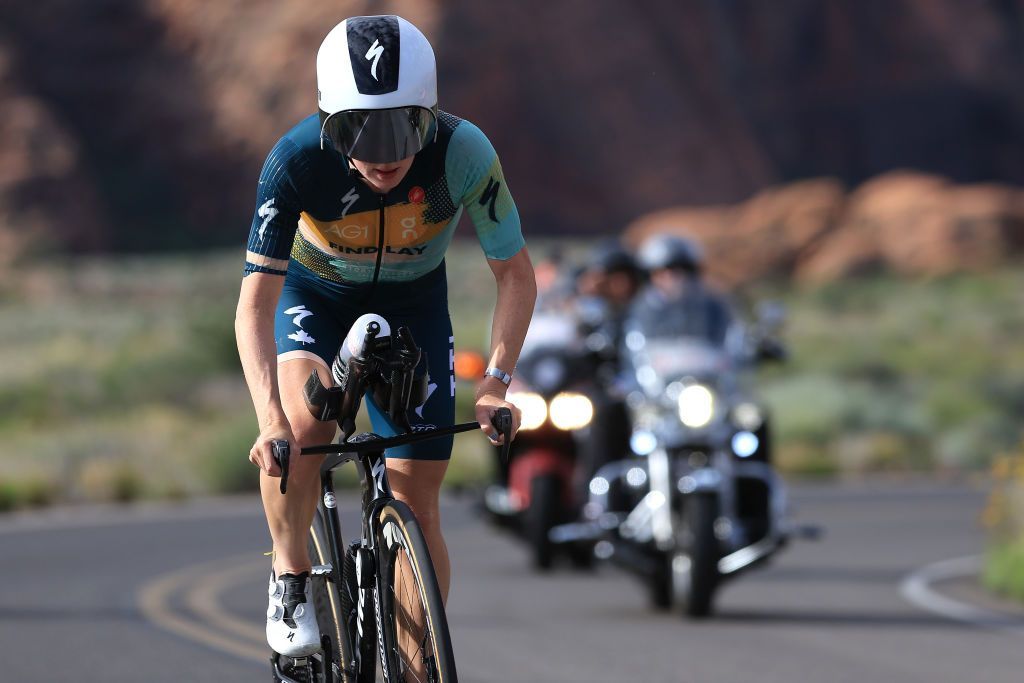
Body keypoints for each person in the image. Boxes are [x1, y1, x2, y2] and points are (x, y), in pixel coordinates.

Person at [235, 15, 535, 657]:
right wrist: (268, 421)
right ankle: (289, 578)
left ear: (431, 115)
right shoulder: (293, 160)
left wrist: (496, 384)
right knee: (304, 428)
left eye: (402, 126)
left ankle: (415, 660)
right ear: (326, 123)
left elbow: (515, 276)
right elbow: (254, 306)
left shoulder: (465, 153)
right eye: (356, 131)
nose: (381, 154)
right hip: (315, 299)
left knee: (418, 505)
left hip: (413, 304)